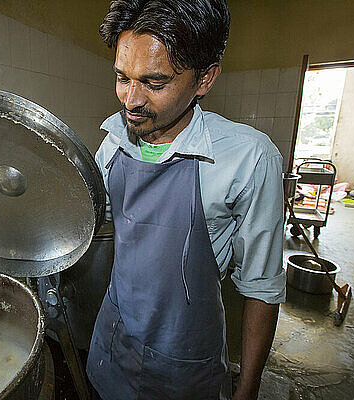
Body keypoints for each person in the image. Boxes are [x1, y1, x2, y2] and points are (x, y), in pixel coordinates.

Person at [86, 1, 285, 399]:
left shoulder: (246, 158)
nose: (131, 100)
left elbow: (261, 287)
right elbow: (98, 229)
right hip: (113, 345)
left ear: (205, 79)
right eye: (123, 78)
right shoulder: (112, 144)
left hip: (185, 363)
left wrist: (247, 387)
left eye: (154, 83)